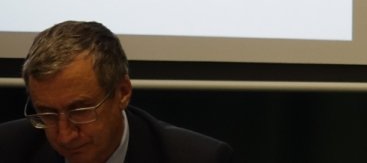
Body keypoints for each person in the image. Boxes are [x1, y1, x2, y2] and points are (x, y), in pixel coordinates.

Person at [0, 20, 236, 163]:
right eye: (48, 114)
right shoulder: (8, 149)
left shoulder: (195, 158)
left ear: (122, 92)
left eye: (79, 111)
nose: (65, 136)